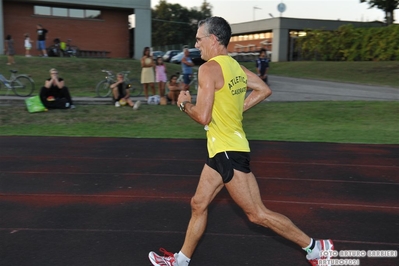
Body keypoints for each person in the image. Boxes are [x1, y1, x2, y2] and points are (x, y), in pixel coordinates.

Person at [148, 17, 334, 266]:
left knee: (257, 214)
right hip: (220, 150)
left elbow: (203, 116)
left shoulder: (209, 69)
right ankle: (180, 260)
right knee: (198, 203)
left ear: (213, 39)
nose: (196, 44)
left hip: (228, 151)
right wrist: (237, 111)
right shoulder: (234, 67)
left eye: (198, 39)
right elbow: (263, 89)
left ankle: (315, 247)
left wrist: (183, 103)